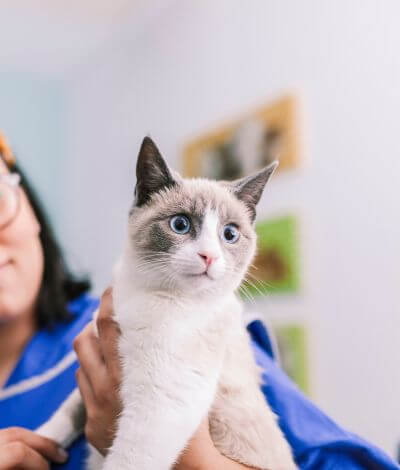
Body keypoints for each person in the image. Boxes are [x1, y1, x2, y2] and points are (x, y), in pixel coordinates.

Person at [0, 132, 399, 470]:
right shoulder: (118, 310)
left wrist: (196, 460)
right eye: (180, 224)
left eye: (230, 234)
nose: (210, 253)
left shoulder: (216, 321)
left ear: (31, 210)